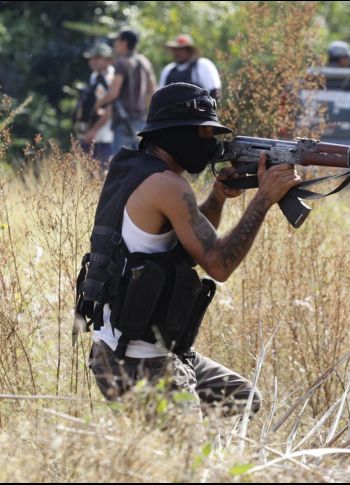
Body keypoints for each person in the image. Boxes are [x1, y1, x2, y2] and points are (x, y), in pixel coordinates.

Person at [81, 83, 302, 419]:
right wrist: (264, 198)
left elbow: (187, 249)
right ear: (174, 134)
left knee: (243, 399)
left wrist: (217, 197)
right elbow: (218, 265)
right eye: (204, 133)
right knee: (185, 465)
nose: (212, 143)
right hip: (138, 362)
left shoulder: (134, 171)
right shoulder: (167, 185)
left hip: (131, 350)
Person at [95, 29, 156, 153]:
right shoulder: (144, 62)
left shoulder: (121, 63)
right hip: (141, 121)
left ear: (124, 42)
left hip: (123, 122)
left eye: (117, 40)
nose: (115, 44)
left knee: (121, 164)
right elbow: (153, 90)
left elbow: (113, 93)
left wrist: (98, 104)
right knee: (140, 161)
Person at [76, 43, 115, 170]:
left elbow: (111, 109)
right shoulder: (94, 77)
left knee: (102, 174)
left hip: (105, 136)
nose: (92, 61)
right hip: (89, 133)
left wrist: (93, 131)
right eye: (92, 58)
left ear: (109, 60)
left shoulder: (111, 78)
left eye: (97, 58)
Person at [158, 34, 222, 99]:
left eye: (181, 49)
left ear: (189, 50)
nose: (177, 53)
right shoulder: (168, 70)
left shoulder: (202, 65)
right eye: (175, 49)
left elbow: (214, 92)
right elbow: (160, 97)